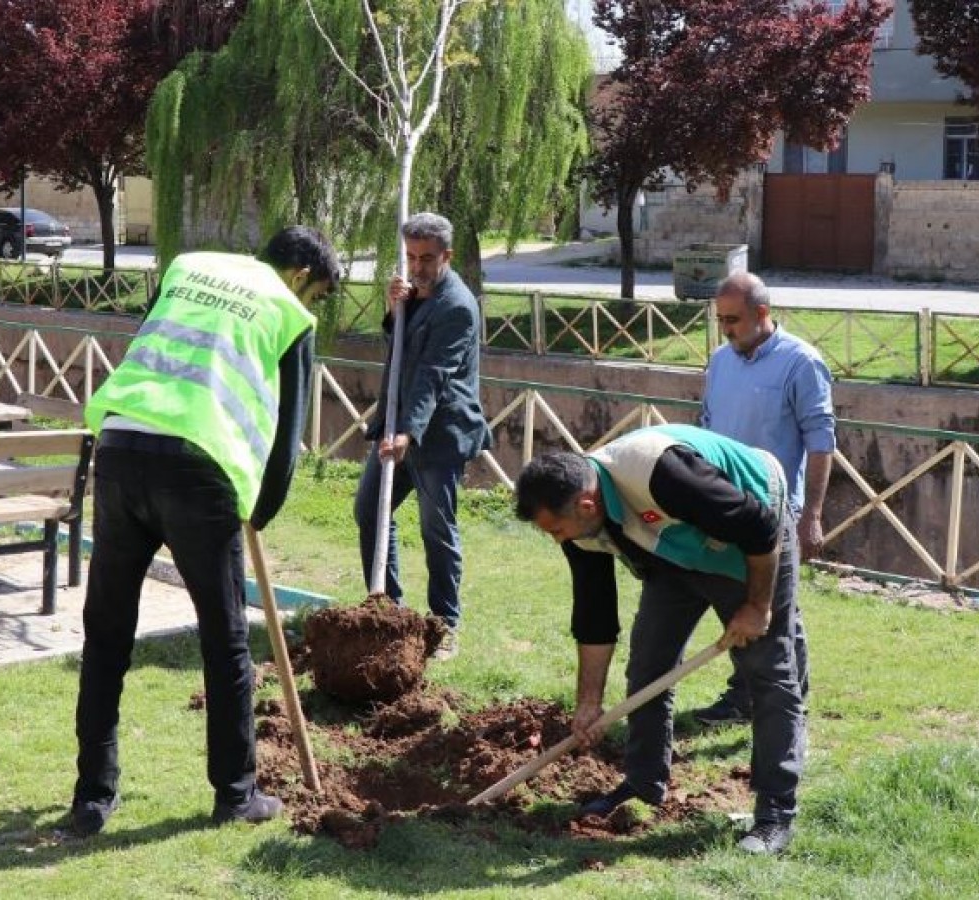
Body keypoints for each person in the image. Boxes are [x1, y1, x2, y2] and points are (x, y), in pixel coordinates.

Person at [69, 225, 341, 836]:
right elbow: (286, 436)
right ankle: (237, 793)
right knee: (225, 641)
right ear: (301, 275)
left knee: (107, 633)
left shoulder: (188, 267)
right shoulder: (288, 312)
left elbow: (153, 348)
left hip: (119, 446)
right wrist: (261, 511)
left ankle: (92, 797)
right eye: (317, 293)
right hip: (198, 468)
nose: (312, 305)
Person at [514, 423, 806, 856]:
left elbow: (758, 526)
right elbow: (594, 614)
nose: (558, 540)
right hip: (674, 553)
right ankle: (644, 783)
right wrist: (589, 703)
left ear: (586, 503)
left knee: (766, 672)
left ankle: (775, 814)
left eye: (557, 530)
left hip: (752, 535)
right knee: (648, 664)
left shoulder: (660, 472)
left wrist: (758, 607)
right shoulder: (580, 524)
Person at [690, 271, 835, 727]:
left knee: (778, 609)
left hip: (775, 510)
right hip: (723, 506)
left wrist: (811, 514)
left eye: (733, 320)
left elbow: (821, 442)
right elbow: (707, 426)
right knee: (739, 604)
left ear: (762, 314)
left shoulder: (801, 362)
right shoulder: (720, 360)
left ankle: (788, 699)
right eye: (720, 320)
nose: (726, 329)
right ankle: (744, 695)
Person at [354, 212, 491, 661]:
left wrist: (408, 433)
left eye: (427, 258)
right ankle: (387, 609)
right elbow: (402, 350)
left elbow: (432, 374)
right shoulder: (414, 291)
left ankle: (444, 626)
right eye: (411, 257)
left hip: (439, 434)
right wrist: (398, 311)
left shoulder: (457, 306)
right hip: (397, 424)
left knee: (437, 528)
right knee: (370, 510)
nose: (417, 266)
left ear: (447, 256)